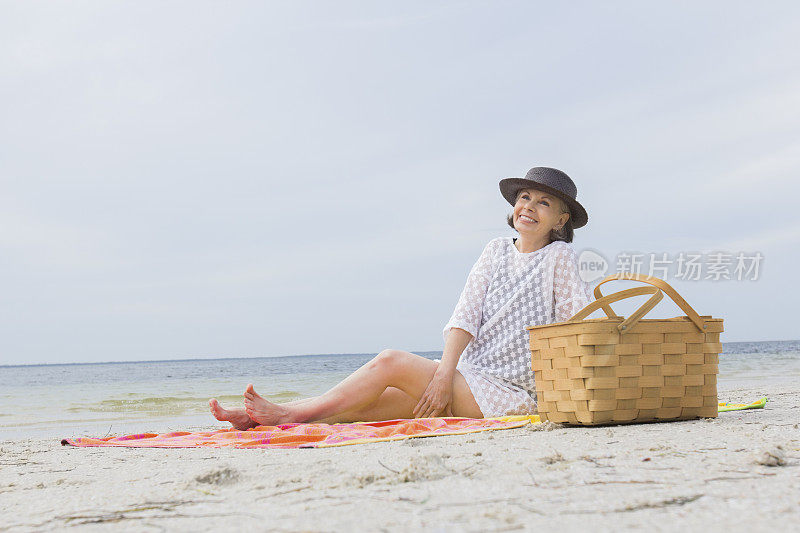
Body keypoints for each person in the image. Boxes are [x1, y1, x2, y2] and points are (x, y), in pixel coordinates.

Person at [209, 166, 592, 429]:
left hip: (514, 393)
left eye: (544, 202)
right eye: (525, 197)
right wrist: (445, 375)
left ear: (560, 220)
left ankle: (285, 416)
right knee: (371, 404)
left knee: (391, 361)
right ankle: (265, 418)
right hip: (472, 379)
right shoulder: (495, 250)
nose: (529, 206)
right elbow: (465, 316)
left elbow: (578, 327)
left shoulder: (559, 257)